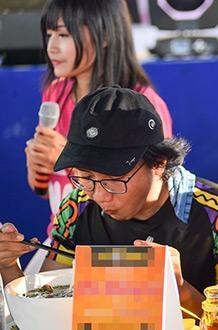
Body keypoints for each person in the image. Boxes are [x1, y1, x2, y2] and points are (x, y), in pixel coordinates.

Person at [1, 87, 218, 318]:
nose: (100, 195)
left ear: (159, 163)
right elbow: (49, 312)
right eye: (86, 178)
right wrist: (8, 265)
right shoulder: (77, 208)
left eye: (114, 180)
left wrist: (179, 288)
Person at [25, 0, 173, 238]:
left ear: (104, 35)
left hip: (122, 243)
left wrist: (71, 159)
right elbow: (51, 190)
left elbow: (159, 193)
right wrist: (38, 170)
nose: (51, 47)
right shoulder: (55, 91)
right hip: (63, 236)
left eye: (63, 35)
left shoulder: (142, 106)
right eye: (49, 34)